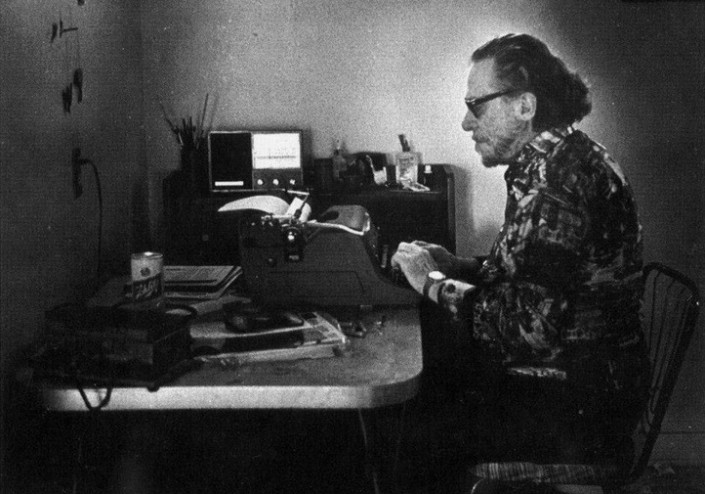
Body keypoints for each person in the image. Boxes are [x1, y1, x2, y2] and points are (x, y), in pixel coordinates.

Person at [391, 33, 650, 483]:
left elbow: (528, 327)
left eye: (476, 106)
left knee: (408, 427)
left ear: (525, 106)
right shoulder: (560, 161)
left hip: (581, 404)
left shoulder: (557, 183)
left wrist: (430, 282)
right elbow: (529, 279)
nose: (466, 123)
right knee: (429, 390)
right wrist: (455, 266)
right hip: (581, 384)